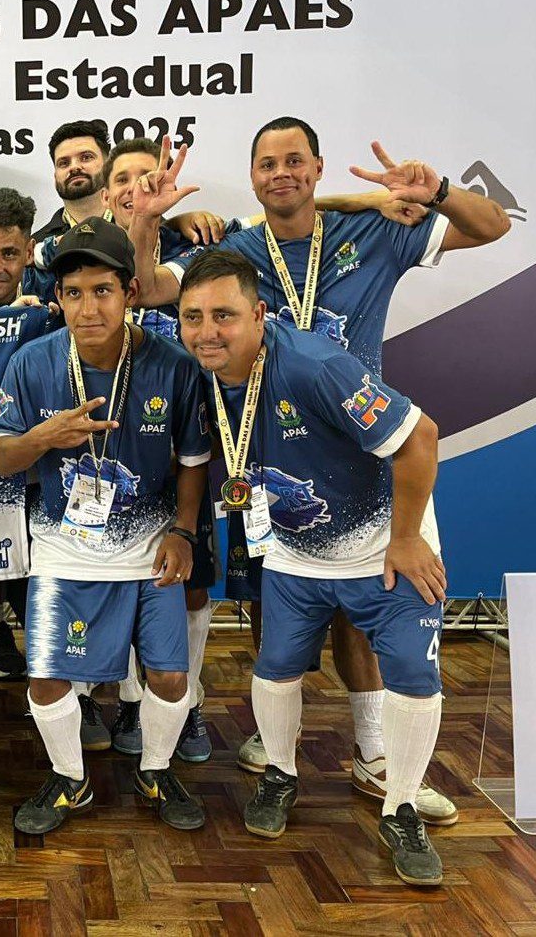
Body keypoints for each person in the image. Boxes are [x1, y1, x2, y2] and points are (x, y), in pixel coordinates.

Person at [133, 118, 509, 821]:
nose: (282, 173)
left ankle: (373, 756)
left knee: (364, 623)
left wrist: (440, 191)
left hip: (361, 451)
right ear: (251, 175)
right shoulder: (241, 249)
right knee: (279, 620)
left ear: (317, 168)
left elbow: (490, 228)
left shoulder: (374, 231)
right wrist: (155, 220)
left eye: (296, 161)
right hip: (268, 461)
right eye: (267, 162)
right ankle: (281, 752)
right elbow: (149, 287)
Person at [178, 249, 448, 886]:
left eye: (224, 315)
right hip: (296, 554)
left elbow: (421, 439)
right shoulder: (207, 372)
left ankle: (401, 806)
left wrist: (406, 539)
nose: (207, 332)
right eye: (193, 317)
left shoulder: (314, 365)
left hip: (384, 548)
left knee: (412, 675)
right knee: (275, 669)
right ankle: (280, 772)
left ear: (260, 314)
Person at [0, 217, 211, 834]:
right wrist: (46, 436)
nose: (89, 308)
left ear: (131, 294)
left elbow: (194, 460)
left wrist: (184, 532)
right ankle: (69, 780)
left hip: (150, 548)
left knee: (169, 675)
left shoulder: (171, 365)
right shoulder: (33, 363)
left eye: (103, 291)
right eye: (75, 293)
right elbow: (3, 457)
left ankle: (157, 770)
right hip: (63, 549)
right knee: (46, 678)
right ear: (57, 298)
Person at [32, 120, 113, 241]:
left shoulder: (141, 229)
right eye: (64, 163)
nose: (74, 167)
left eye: (86, 157)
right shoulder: (37, 247)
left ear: (109, 166)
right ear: (55, 176)